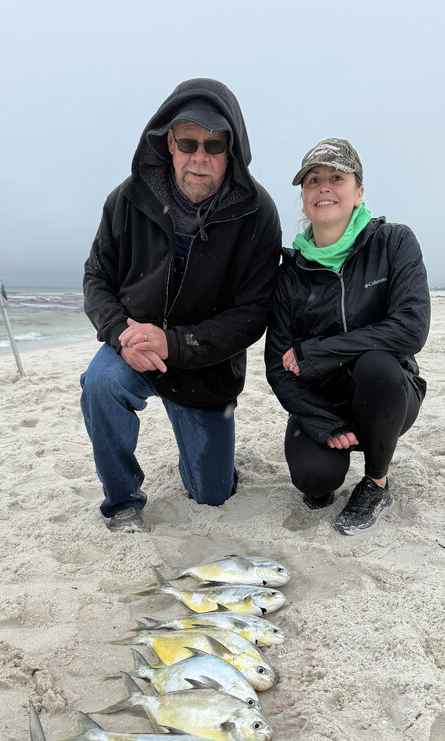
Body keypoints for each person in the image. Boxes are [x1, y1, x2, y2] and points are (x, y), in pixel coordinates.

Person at [81, 78, 281, 532]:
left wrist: (174, 343)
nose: (199, 157)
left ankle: (209, 461)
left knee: (213, 495)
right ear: (169, 143)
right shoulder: (126, 199)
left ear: (231, 150)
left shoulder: (259, 213)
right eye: (188, 143)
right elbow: (96, 278)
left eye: (214, 145)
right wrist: (120, 334)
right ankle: (122, 502)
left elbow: (253, 314)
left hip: (206, 367)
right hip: (134, 348)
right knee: (100, 383)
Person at [265, 138, 430, 534]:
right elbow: (277, 366)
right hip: (322, 399)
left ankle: (376, 483)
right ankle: (327, 466)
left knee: (376, 364)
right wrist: (323, 423)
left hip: (387, 393)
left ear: (358, 192)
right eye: (313, 180)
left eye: (337, 178)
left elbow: (411, 328)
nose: (324, 187)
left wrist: (320, 351)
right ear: (304, 200)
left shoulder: (394, 242)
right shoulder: (290, 273)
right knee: (314, 480)